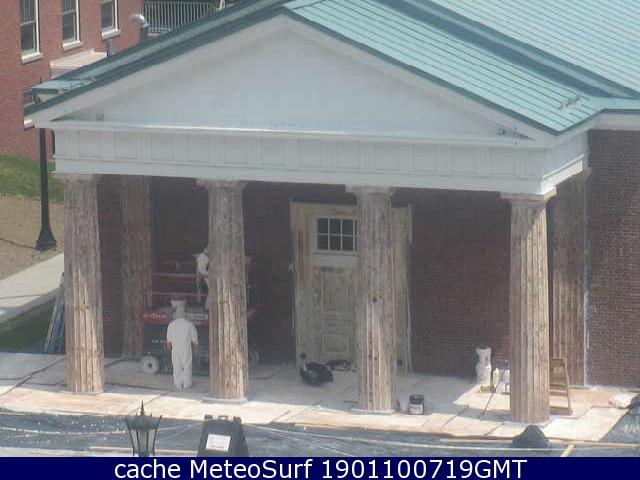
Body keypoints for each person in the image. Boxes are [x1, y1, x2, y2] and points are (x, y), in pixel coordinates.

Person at [166, 300, 199, 390]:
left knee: (177, 366)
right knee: (187, 366)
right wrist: (196, 349)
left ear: (176, 315)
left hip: (175, 349)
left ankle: (178, 384)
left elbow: (169, 341)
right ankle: (186, 384)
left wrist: (169, 349)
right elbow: (194, 340)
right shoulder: (189, 325)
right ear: (185, 315)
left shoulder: (171, 325)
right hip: (186, 349)